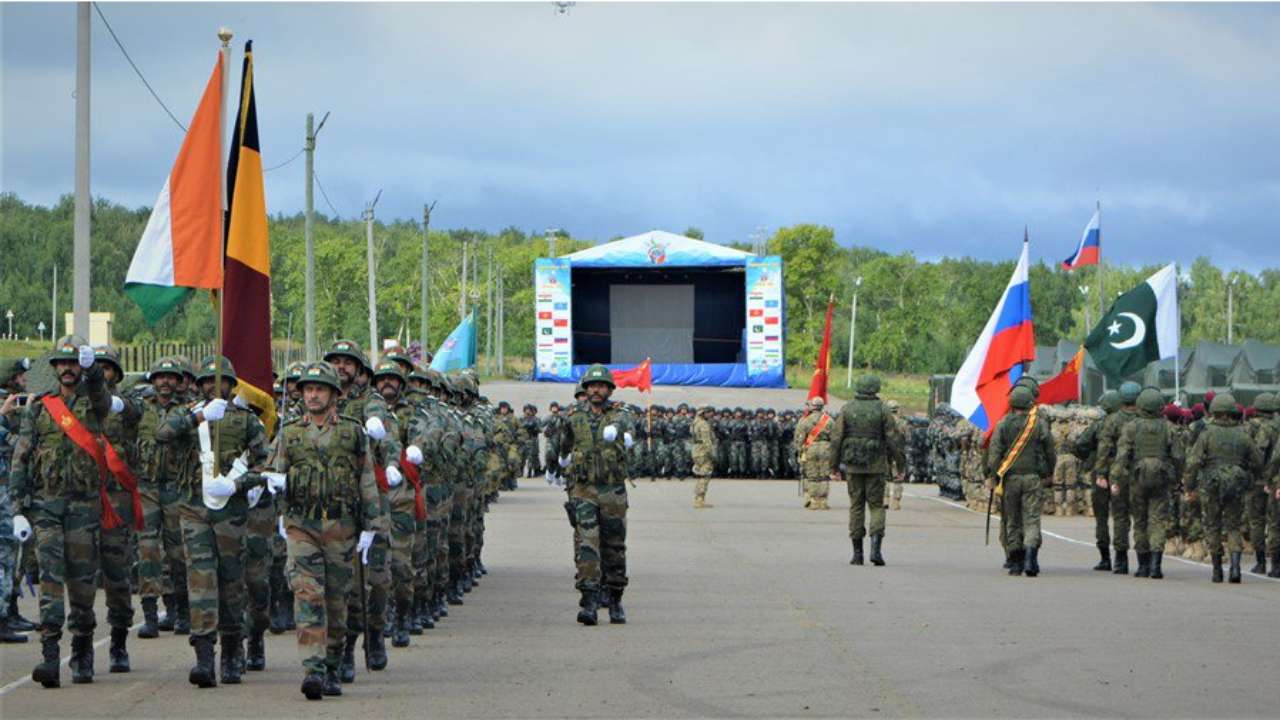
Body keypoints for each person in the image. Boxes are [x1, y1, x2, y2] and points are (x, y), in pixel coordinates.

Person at [271, 361, 382, 699]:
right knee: (307, 595)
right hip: (301, 525)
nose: (313, 394)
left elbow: (366, 480)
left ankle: (332, 663)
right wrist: (279, 510)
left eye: (320, 389)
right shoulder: (290, 432)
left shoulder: (352, 432)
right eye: (308, 389)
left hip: (341, 526)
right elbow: (275, 473)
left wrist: (370, 526)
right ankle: (313, 669)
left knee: (336, 600)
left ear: (334, 394)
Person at [157, 355, 268, 687]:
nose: (211, 385)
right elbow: (162, 433)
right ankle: (204, 657)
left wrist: (237, 483)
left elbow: (266, 463)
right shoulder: (188, 414)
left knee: (231, 581)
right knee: (200, 580)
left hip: (230, 512)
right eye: (205, 381)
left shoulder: (247, 421)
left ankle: (233, 651)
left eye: (218, 380)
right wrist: (199, 416)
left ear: (231, 385)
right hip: (193, 509)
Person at [9, 337, 109, 687]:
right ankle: (49, 656)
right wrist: (17, 508)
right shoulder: (39, 409)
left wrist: (94, 369)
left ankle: (82, 650)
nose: (67, 368)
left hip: (83, 507)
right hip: (46, 507)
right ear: (53, 369)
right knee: (50, 579)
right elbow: (21, 457)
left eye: (73, 362)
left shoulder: (94, 405)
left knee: (82, 585)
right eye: (61, 363)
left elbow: (103, 395)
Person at [323, 340, 400, 680]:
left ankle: (376, 634)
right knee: (343, 584)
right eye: (336, 361)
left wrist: (379, 434)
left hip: (370, 503)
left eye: (347, 362)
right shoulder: (319, 400)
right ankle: (345, 650)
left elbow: (382, 425)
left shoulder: (371, 400)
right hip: (333, 504)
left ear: (360, 370)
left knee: (378, 580)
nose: (341, 367)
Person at [561, 365, 631, 625]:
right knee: (587, 545)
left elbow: (626, 424)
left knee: (614, 546)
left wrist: (620, 432)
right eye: (592, 386)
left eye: (601, 386)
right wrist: (559, 461)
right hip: (584, 490)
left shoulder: (619, 414)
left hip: (612, 491)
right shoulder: (574, 416)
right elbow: (564, 442)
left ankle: (615, 599)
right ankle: (589, 601)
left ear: (609, 390)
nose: (596, 390)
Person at [94, 346, 145, 673]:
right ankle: (81, 644)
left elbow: (134, 412)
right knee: (80, 575)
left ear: (116, 373)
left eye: (106, 368)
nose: (101, 372)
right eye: (96, 367)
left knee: (117, 573)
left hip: (115, 499)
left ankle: (118, 640)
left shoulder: (123, 404)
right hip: (80, 498)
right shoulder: (71, 404)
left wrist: (111, 401)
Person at [1183, 393, 1264, 583]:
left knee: (1213, 525)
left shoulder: (1206, 434)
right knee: (1233, 525)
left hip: (1211, 483)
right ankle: (1235, 568)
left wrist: (1190, 486)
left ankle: (1217, 569)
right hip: (1236, 484)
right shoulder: (1243, 434)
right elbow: (1257, 461)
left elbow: (1193, 462)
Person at [830, 376, 905, 566]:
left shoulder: (847, 408)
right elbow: (894, 440)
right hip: (877, 465)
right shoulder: (883, 409)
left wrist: (833, 465)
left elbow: (836, 439)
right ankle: (876, 550)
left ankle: (857, 554)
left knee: (856, 506)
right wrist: (900, 465)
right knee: (876, 506)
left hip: (853, 466)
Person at [1111, 388, 1184, 579]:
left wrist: (1116, 480)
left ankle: (1143, 566)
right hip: (1161, 478)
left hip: (1137, 479)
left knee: (1140, 521)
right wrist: (1177, 478)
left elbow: (1122, 456)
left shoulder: (1132, 427)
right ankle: (1156, 566)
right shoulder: (1168, 428)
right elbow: (1178, 456)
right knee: (1157, 521)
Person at [987, 385, 1055, 577]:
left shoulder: (1002, 424)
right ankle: (1031, 559)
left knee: (1012, 519)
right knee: (1032, 518)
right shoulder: (1039, 424)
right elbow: (1050, 450)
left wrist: (993, 476)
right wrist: (1050, 471)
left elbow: (994, 454)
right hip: (1033, 478)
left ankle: (1016, 562)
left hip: (1010, 479)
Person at [0, 357, 33, 644]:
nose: (26, 380)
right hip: (4, 489)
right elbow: (12, 441)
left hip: (9, 487)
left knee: (12, 555)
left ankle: (8, 611)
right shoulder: (5, 406)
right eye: (22, 375)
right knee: (4, 554)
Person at [1095, 381, 1143, 574]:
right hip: (1140, 472)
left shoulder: (1112, 420)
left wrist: (1101, 473)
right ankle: (1144, 561)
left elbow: (1104, 449)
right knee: (1142, 517)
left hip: (1119, 473)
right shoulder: (1145, 419)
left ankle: (1121, 561)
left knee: (1120, 517)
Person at [1076, 391, 1119, 571]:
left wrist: (1089, 458)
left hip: (1101, 474)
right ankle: (1122, 559)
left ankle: (1105, 559)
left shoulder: (1099, 425)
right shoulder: (1130, 423)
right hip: (1122, 474)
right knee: (1122, 518)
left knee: (1101, 518)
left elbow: (1081, 444)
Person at [1245, 393, 1277, 574]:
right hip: (1275, 480)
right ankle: (1276, 563)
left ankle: (1260, 561)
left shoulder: (1253, 427)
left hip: (1258, 480)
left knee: (1257, 521)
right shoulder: (1277, 425)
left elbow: (1256, 454)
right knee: (1275, 521)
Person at [794, 397, 835, 511]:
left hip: (810, 448)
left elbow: (800, 438)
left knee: (812, 476)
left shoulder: (805, 420)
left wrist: (799, 451)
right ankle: (823, 502)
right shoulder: (829, 420)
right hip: (826, 449)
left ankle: (813, 501)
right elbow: (835, 438)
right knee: (824, 476)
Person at [691, 405, 717, 508]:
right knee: (705, 475)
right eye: (709, 412)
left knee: (701, 474)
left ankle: (698, 498)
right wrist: (712, 454)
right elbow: (707, 441)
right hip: (703, 451)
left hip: (696, 450)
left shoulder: (695, 423)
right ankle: (700, 499)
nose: (711, 414)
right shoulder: (704, 424)